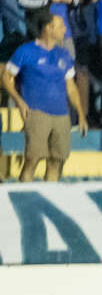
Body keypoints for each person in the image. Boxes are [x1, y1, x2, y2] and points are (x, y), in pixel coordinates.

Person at [5, 11, 82, 180]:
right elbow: (6, 77)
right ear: (48, 28)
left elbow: (71, 87)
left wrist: (81, 115)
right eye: (61, 26)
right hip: (36, 111)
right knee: (34, 158)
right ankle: (24, 199)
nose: (64, 30)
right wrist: (19, 101)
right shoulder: (26, 51)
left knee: (57, 160)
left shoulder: (63, 55)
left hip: (61, 114)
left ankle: (48, 197)